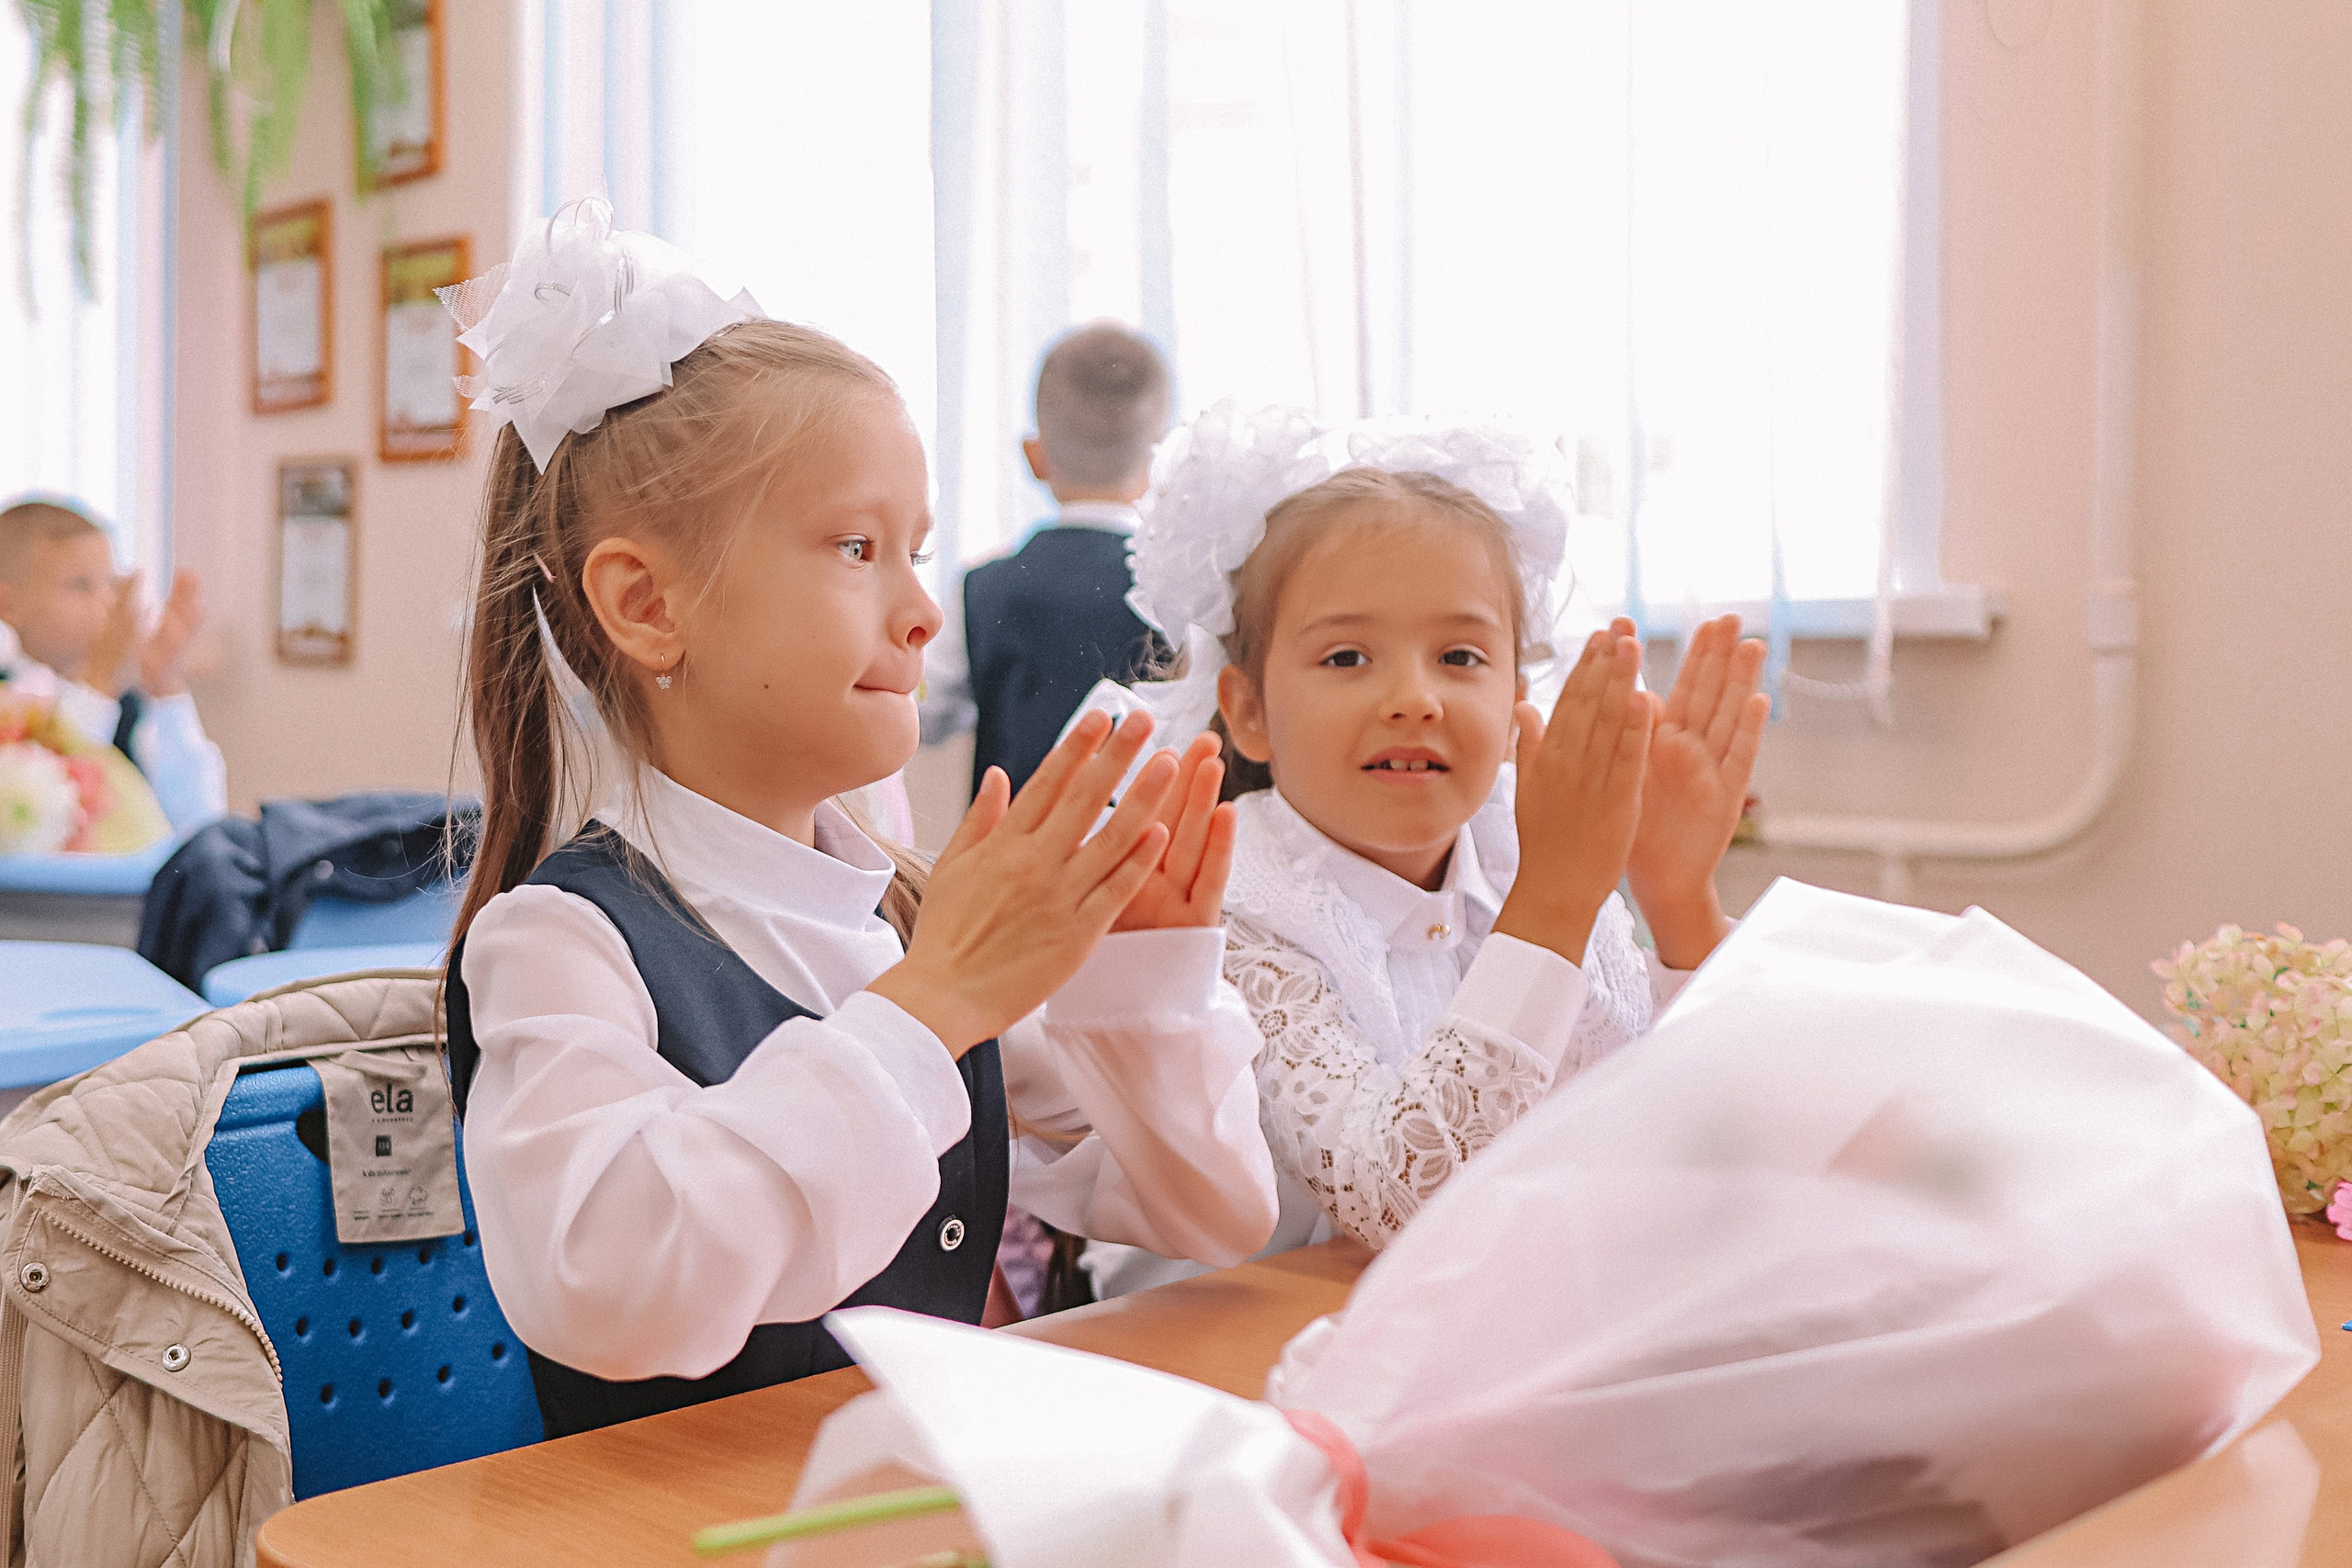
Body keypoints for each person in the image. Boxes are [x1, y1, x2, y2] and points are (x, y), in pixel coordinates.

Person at [436, 199, 1278, 1437]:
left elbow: (1212, 1215)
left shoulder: (905, 921)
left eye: (916, 551)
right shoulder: (560, 941)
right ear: (648, 605)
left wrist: (1145, 985)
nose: (925, 610)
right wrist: (933, 1003)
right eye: (855, 547)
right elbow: (607, 1283)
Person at [1098, 407, 1768, 1270]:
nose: (1415, 699)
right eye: (1347, 657)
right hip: (1229, 1332)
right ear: (1250, 710)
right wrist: (1554, 901)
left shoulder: (1514, 849)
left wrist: (1678, 902)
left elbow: (1683, 1131)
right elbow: (1397, 1199)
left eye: (1460, 657)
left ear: (1516, 695)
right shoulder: (1235, 908)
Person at [922, 321, 1173, 796]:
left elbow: (923, 714)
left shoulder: (981, 588)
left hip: (1007, 840)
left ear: (1034, 457)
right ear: (1163, 460)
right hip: (1157, 840)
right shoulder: (1185, 590)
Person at [0, 498, 225, 836]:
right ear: (8, 604)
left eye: (110, 584)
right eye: (80, 585)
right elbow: (42, 811)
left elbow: (202, 824)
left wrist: (166, 686)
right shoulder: (9, 703)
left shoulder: (128, 707)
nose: (106, 602)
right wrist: (100, 679)